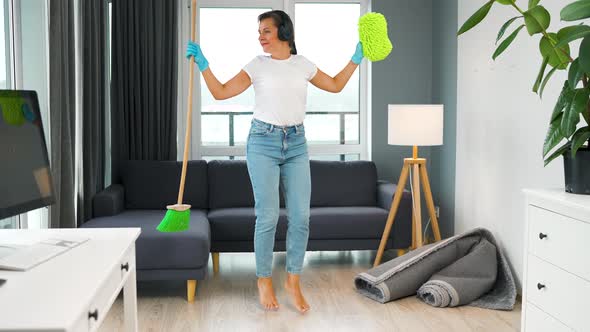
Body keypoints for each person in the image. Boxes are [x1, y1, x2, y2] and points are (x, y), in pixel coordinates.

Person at [186, 9, 363, 313]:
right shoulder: (257, 65)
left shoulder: (302, 64)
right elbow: (220, 92)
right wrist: (204, 64)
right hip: (262, 142)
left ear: (283, 32)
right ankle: (264, 279)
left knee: (301, 217)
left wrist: (356, 59)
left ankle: (293, 280)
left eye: (266, 31)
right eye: (259, 32)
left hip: (296, 143)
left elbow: (335, 85)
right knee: (267, 217)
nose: (261, 37)